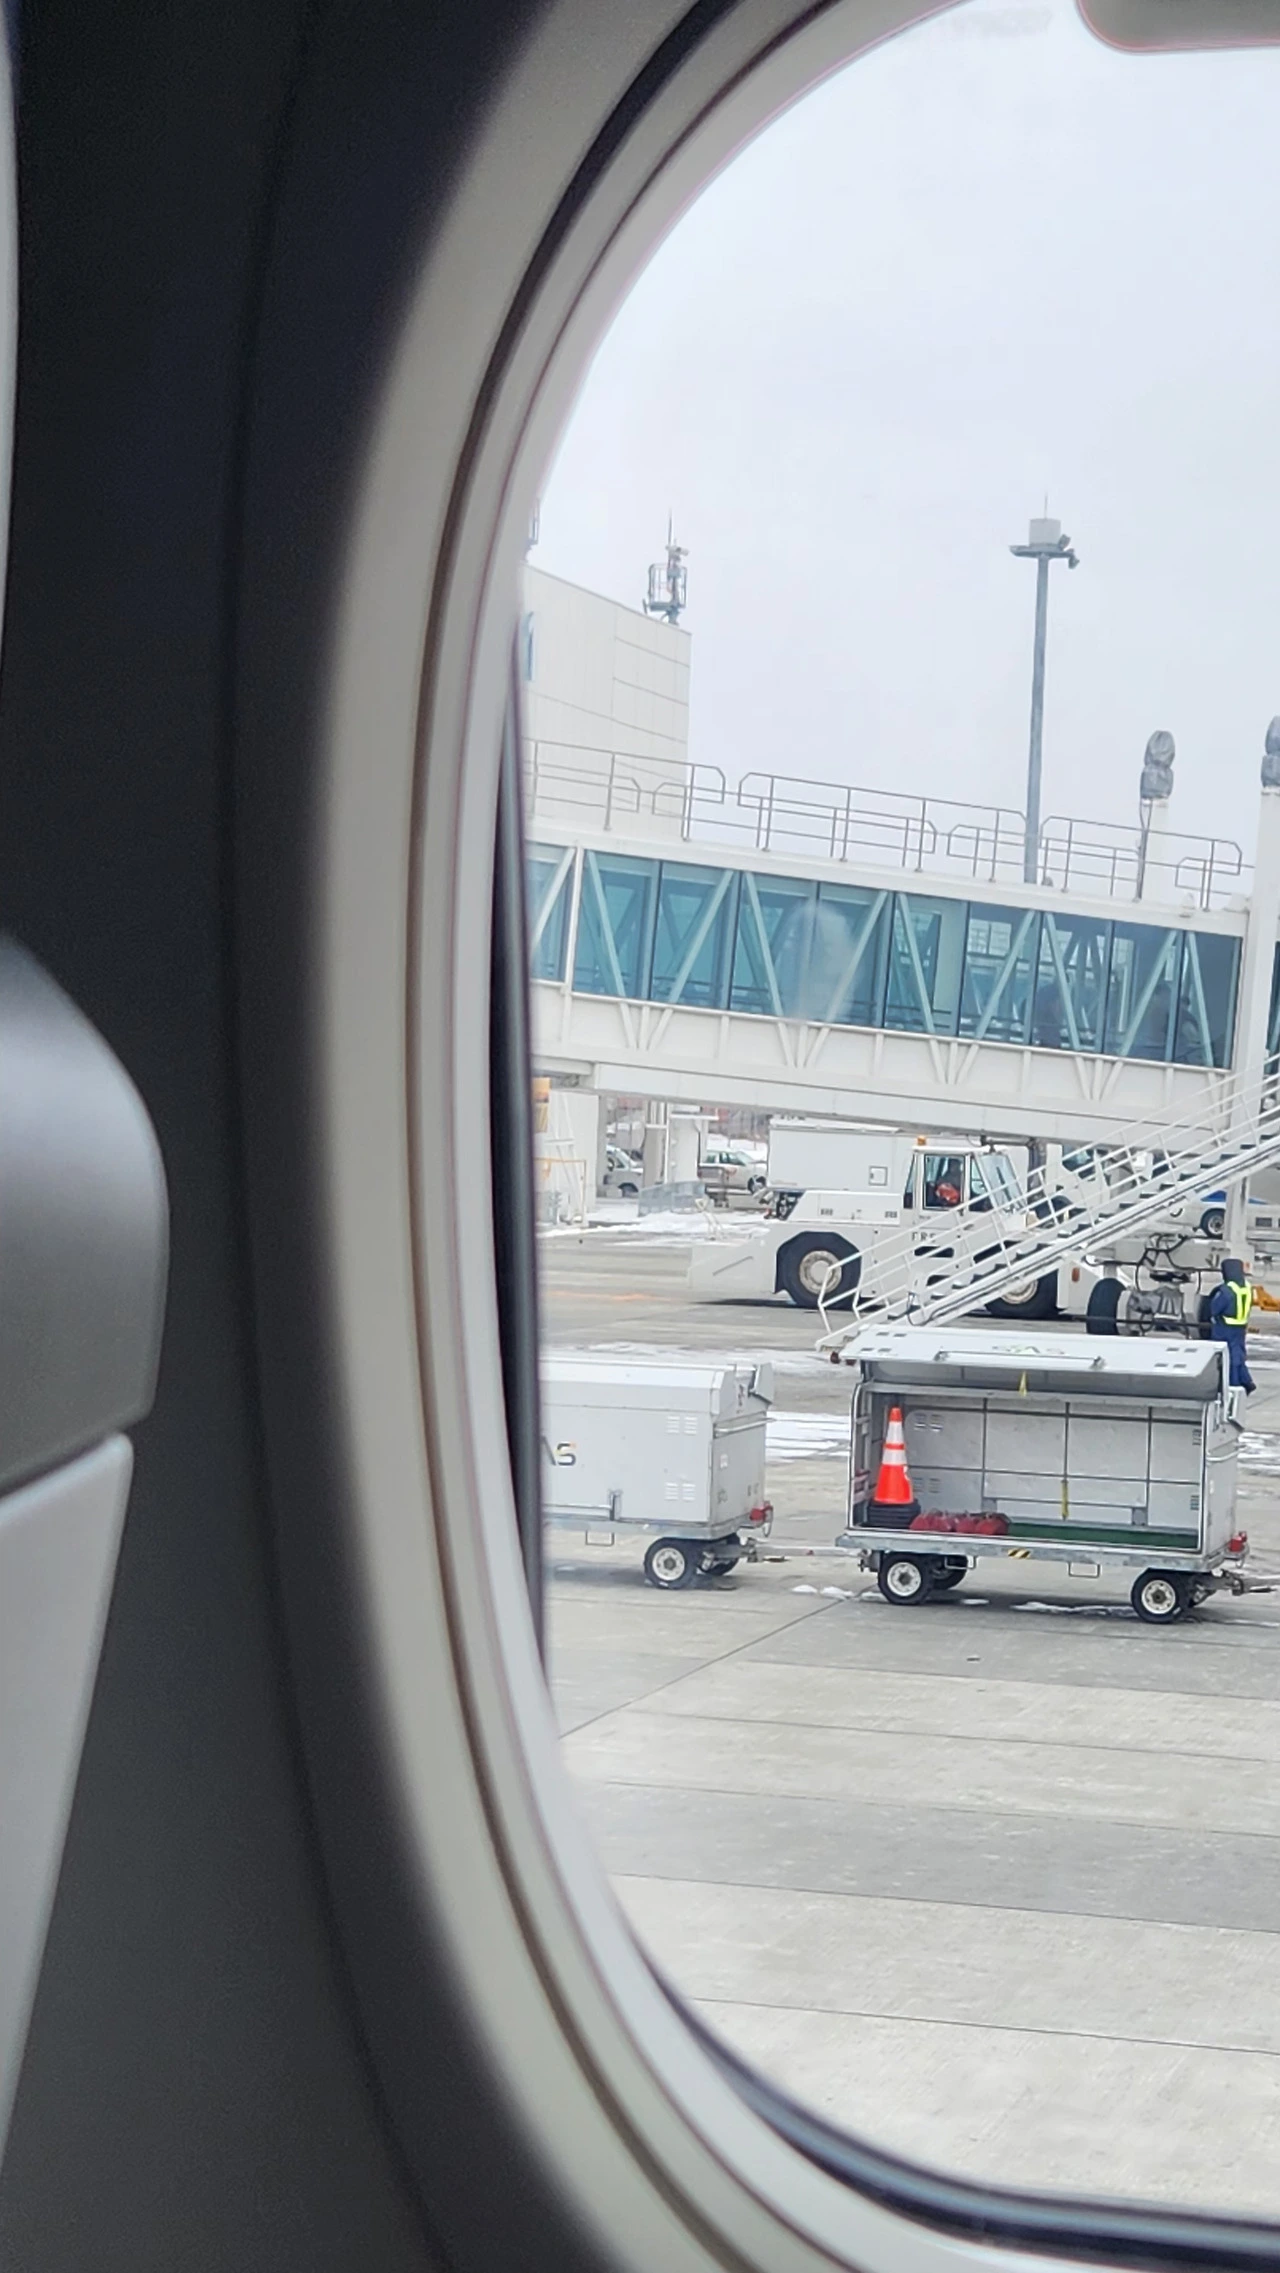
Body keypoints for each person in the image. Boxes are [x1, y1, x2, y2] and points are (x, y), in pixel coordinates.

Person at [1207, 1257, 1255, 1394]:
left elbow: (1215, 1308)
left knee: (1227, 1357)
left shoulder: (1227, 1290)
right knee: (1238, 1354)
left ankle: (1233, 1383)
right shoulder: (1247, 1287)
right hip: (1241, 1327)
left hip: (1225, 1327)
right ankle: (1246, 1380)